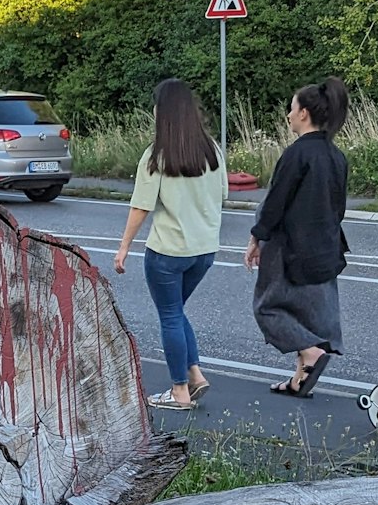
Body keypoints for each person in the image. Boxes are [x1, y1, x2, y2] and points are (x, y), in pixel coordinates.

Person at [112, 78, 230, 410]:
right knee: (176, 311)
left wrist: (124, 247)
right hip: (204, 251)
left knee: (170, 315)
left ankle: (179, 390)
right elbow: (223, 193)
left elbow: (141, 206)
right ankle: (195, 374)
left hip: (167, 252)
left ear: (161, 112)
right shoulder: (212, 151)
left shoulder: (157, 156)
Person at [245, 77, 350, 396]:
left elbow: (276, 201)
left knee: (268, 308)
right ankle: (299, 378)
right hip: (326, 248)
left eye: (291, 109)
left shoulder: (296, 154)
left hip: (289, 248)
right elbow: (339, 207)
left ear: (304, 113)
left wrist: (257, 238)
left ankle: (310, 351)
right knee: (306, 314)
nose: (288, 115)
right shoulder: (336, 156)